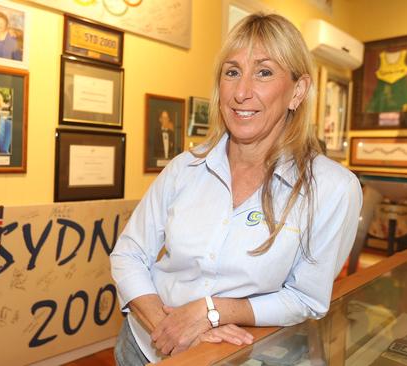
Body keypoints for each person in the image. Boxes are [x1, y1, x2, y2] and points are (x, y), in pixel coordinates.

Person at [110, 13, 363, 365]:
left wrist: (212, 312)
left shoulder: (333, 189)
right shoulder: (185, 167)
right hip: (144, 346)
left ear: (298, 90)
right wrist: (168, 327)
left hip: (240, 355)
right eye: (232, 72)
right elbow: (128, 254)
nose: (242, 92)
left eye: (263, 72)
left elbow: (306, 298)